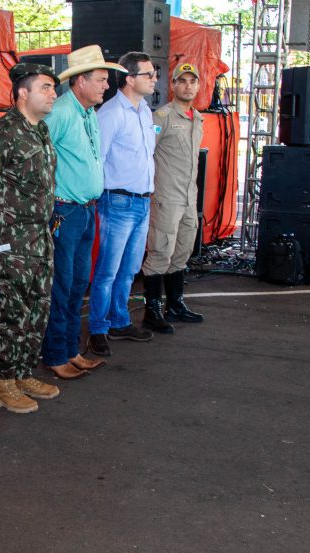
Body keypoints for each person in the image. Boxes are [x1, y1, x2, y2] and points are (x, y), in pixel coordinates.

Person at [40, 45, 124, 379]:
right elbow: (40, 158)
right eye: (102, 79)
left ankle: (70, 349)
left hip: (85, 211)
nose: (107, 85)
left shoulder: (87, 112)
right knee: (63, 286)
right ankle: (57, 354)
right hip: (65, 211)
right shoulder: (60, 112)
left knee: (77, 285)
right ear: (80, 81)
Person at [0, 63, 61, 414]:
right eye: (46, 87)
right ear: (23, 93)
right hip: (10, 242)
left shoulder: (41, 130)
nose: (53, 94)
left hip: (39, 237)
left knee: (37, 309)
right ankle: (3, 383)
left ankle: (23, 372)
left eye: (53, 88)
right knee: (11, 314)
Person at [87, 51, 158, 356]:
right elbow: (97, 159)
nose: (155, 79)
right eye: (149, 75)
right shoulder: (111, 113)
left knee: (129, 270)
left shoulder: (145, 111)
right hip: (117, 202)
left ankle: (119, 320)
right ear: (130, 79)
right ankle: (98, 328)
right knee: (108, 271)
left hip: (142, 203)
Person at [141, 62, 206, 334]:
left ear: (198, 86)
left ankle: (175, 304)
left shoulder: (197, 118)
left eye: (193, 81)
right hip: (166, 198)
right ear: (174, 85)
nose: (188, 86)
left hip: (189, 198)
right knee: (160, 252)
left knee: (182, 252)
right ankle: (152, 310)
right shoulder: (162, 117)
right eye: (183, 81)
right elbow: (146, 153)